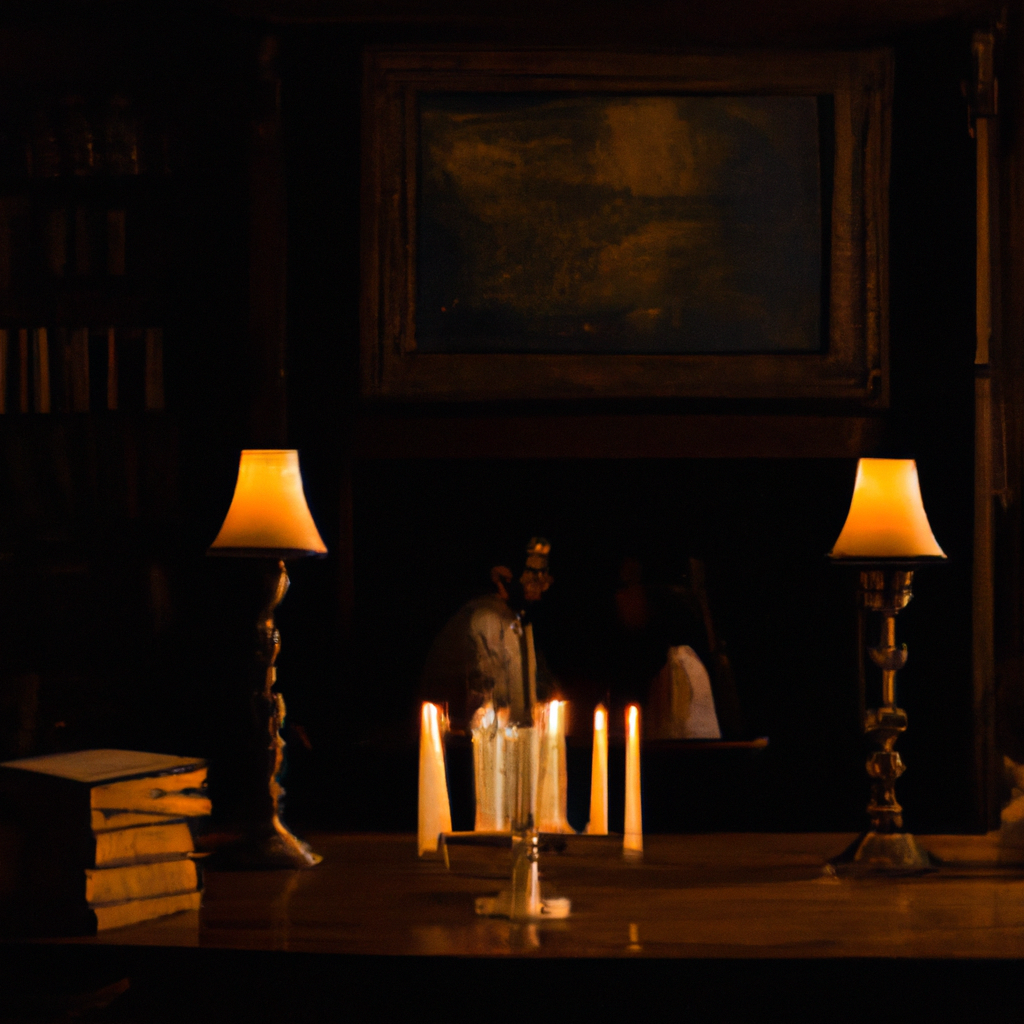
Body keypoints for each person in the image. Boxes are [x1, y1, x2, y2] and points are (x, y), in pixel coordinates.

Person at [420, 537, 556, 732]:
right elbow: (510, 707)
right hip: (476, 741)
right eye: (530, 572)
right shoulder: (490, 618)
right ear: (501, 578)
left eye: (543, 572)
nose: (541, 581)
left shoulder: (516, 619)